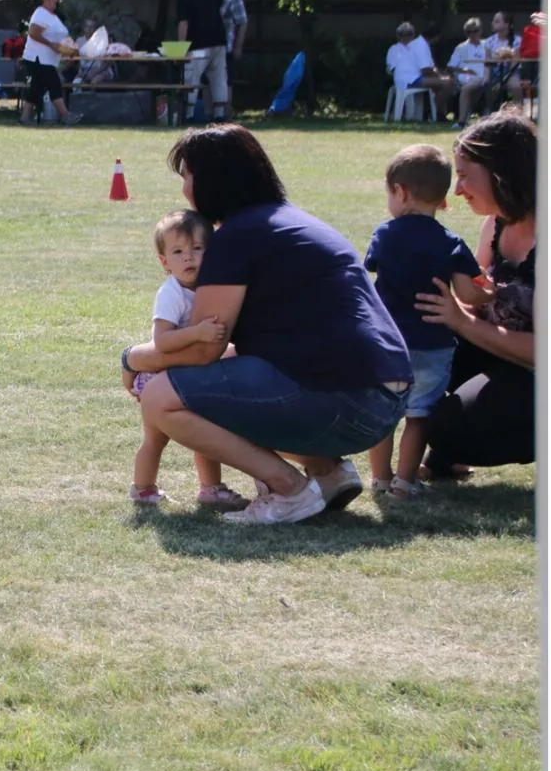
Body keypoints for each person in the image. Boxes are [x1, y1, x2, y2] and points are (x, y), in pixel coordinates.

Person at [122, 124, 411, 526]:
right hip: (386, 399)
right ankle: (327, 471)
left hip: (347, 400)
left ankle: (288, 489)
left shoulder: (236, 236)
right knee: (227, 379)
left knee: (160, 397)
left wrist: (133, 358)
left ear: (211, 179)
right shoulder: (291, 221)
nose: (185, 188)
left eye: (187, 175)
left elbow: (203, 350)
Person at [363, 145, 492, 498]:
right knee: (419, 416)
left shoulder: (384, 235)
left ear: (401, 192)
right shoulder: (450, 242)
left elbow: (367, 275)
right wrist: (490, 293)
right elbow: (467, 294)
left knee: (385, 416)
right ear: (442, 199)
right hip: (433, 345)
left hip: (389, 344)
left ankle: (380, 478)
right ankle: (405, 482)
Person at [416, 113, 536, 481]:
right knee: (420, 345)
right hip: (509, 359)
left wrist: (460, 320)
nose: (457, 190)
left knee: (446, 427)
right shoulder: (497, 223)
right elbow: (476, 302)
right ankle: (450, 455)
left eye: (466, 175)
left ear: (502, 172)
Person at [127, 210, 247, 510]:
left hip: (189, 376)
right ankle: (143, 488)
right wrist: (198, 333)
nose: (188, 258)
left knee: (203, 432)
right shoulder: (172, 294)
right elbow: (162, 341)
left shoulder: (208, 289)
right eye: (178, 252)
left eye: (197, 249)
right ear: (164, 261)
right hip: (159, 378)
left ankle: (210, 487)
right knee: (155, 439)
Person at [19, 0, 75, 126]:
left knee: (36, 88)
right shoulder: (40, 13)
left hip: (49, 59)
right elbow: (32, 33)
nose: (56, 0)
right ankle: (65, 115)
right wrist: (51, 44)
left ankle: (25, 117)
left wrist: (68, 48)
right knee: (54, 84)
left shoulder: (52, 16)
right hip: (39, 58)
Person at [176, 0, 229, 123]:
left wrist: (180, 49)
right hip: (219, 42)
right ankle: (219, 115)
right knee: (219, 78)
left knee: (191, 78)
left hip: (199, 45)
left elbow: (183, 24)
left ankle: (189, 115)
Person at [386, 21, 456, 122]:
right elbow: (426, 70)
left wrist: (440, 75)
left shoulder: (419, 43)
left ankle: (435, 113)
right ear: (437, 38)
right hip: (409, 80)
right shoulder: (421, 45)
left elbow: (430, 67)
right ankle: (438, 113)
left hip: (410, 77)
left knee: (440, 85)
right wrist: (441, 78)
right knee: (449, 83)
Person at [208, 0, 246, 113]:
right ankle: (210, 115)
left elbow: (242, 21)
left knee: (225, 81)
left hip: (225, 46)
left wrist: (238, 46)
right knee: (208, 82)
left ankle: (226, 114)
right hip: (206, 45)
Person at [447, 18, 491, 128]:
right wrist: (464, 70)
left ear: (481, 31)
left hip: (485, 76)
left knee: (483, 85)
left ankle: (465, 118)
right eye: (468, 31)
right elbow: (451, 66)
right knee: (469, 87)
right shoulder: (461, 47)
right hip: (466, 77)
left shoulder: (488, 45)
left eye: (475, 31)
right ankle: (463, 120)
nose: (472, 34)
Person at [482, 12, 524, 110]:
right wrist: (486, 78)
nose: (493, 23)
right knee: (488, 87)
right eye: (493, 21)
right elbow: (487, 62)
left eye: (496, 21)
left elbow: (515, 64)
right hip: (494, 71)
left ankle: (520, 111)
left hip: (511, 72)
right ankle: (488, 111)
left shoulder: (517, 40)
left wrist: (502, 81)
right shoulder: (489, 41)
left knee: (515, 87)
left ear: (507, 24)